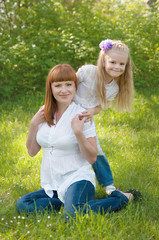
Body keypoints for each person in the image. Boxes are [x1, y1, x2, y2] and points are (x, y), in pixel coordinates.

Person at [16, 64, 140, 218]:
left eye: (69, 85)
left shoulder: (82, 115)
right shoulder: (44, 112)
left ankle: (121, 198)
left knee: (72, 215)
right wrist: (33, 125)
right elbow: (32, 151)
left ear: (75, 87)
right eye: (58, 85)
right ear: (51, 88)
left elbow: (92, 157)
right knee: (22, 204)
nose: (64, 90)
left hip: (78, 179)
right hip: (53, 183)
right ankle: (67, 202)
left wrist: (78, 132)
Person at [73, 39, 134, 195]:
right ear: (103, 60)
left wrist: (92, 111)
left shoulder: (113, 87)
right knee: (68, 147)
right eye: (113, 62)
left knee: (96, 150)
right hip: (67, 113)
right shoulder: (87, 72)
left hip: (86, 120)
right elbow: (67, 86)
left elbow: (100, 106)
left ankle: (108, 184)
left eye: (122, 64)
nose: (117, 67)